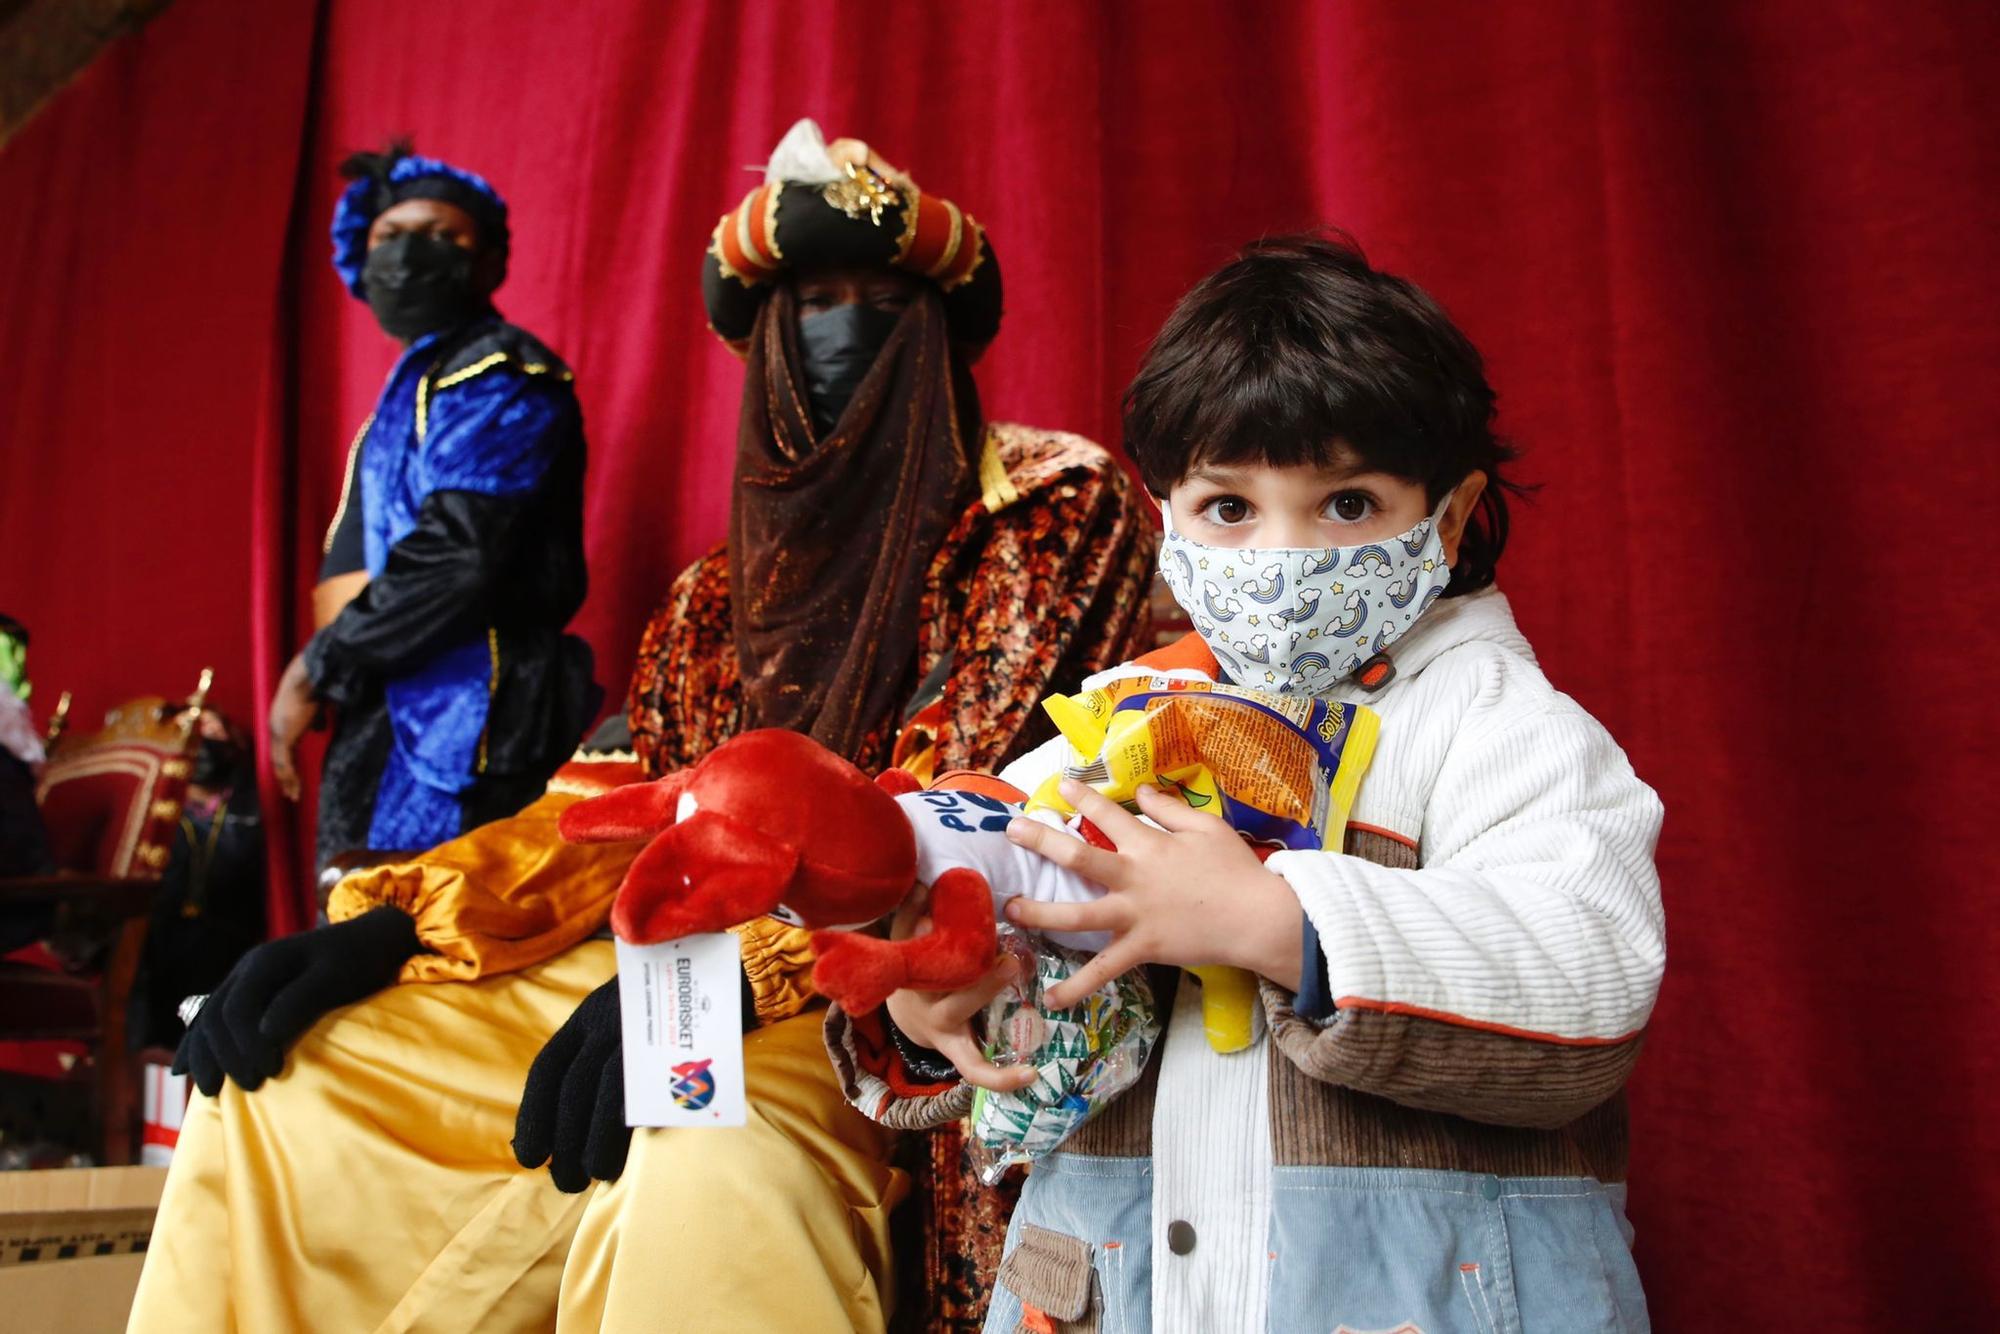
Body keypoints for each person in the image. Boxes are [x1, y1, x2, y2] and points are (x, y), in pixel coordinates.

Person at [130, 122, 1155, 1332]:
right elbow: (606, 802)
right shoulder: (713, 592)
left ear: (937, 337)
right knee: (292, 1080)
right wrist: (399, 919)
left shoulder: (1045, 507)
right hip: (668, 963)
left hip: (887, 995)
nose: (838, 334)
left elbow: (959, 784)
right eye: (808, 304)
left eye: (879, 304)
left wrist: (730, 972)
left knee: (701, 1151)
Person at [833, 234, 1667, 1333]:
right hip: (1109, 1294)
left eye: (1348, 503)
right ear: (1166, 516)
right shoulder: (1107, 725)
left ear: (1449, 518)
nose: (1283, 553)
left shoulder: (1502, 729)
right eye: (1229, 507)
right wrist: (928, 989)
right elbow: (985, 884)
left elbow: (1588, 976)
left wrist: (1278, 922)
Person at [272, 140, 598, 869]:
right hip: (392, 706)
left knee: (421, 947)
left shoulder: (496, 374)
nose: (411, 255)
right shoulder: (419, 382)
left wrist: (317, 665)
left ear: (486, 263)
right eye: (390, 235)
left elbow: (458, 556)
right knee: (352, 942)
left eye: (443, 237)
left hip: (468, 716)